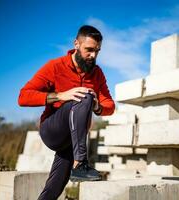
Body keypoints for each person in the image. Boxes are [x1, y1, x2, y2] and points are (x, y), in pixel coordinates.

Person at [18, 25, 115, 200]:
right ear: (76, 44)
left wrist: (96, 106)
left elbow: (110, 105)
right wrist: (60, 95)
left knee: (55, 187)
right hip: (52, 129)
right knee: (84, 95)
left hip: (73, 139)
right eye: (89, 50)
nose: (93, 56)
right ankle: (81, 164)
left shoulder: (97, 73)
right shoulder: (55, 66)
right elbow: (23, 97)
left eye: (97, 51)